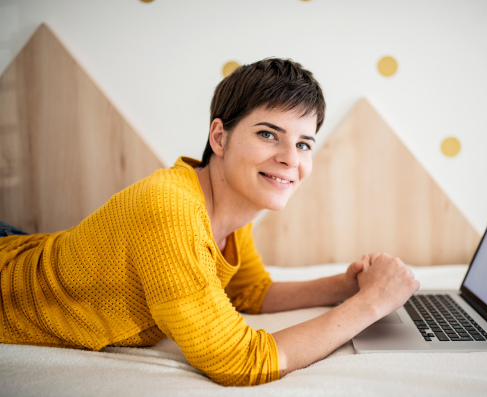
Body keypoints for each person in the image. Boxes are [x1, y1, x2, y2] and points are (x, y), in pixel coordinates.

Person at [0, 58, 419, 386]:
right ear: (219, 137)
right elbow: (238, 362)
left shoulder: (230, 206)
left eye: (304, 143)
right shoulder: (171, 207)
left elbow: (248, 291)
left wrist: (344, 286)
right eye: (269, 134)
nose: (291, 159)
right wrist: (369, 305)